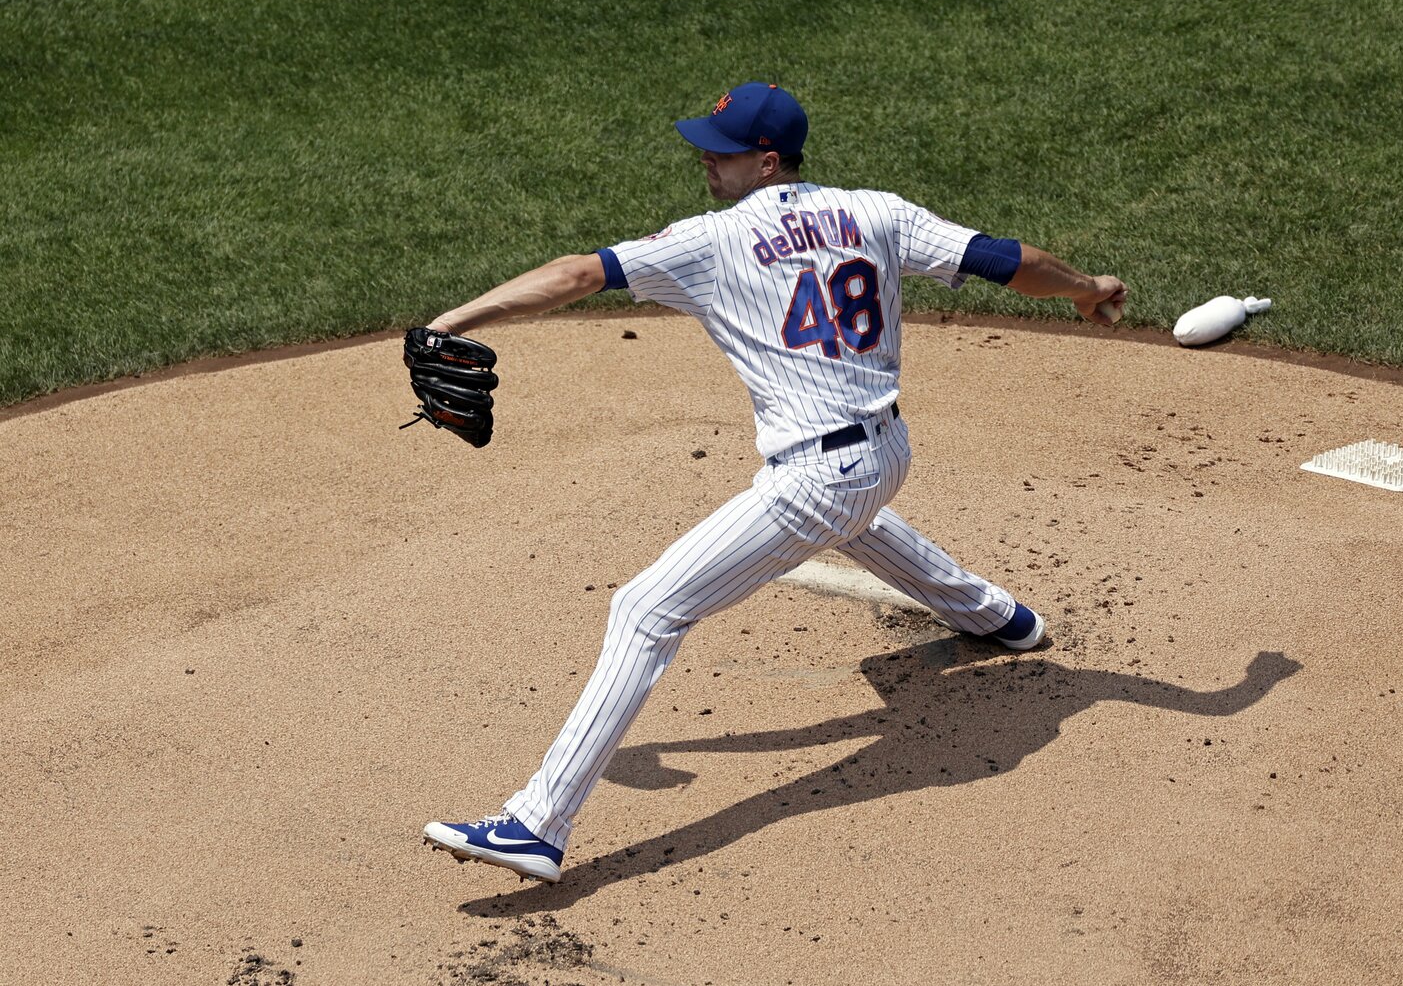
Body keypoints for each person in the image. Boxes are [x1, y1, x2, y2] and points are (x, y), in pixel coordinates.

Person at [420, 82, 1128, 883]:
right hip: (887, 449)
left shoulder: (710, 240)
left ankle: (535, 824)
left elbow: (579, 274)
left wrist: (451, 322)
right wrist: (1086, 289)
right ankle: (999, 617)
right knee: (850, 512)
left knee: (646, 607)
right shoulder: (878, 211)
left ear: (765, 161)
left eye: (719, 152)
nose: (703, 160)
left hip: (820, 475)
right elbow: (1005, 260)